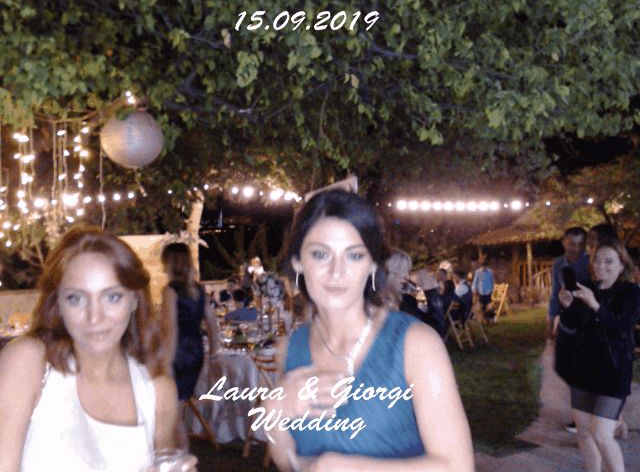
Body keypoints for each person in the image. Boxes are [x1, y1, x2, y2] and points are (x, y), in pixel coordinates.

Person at [265, 190, 473, 471]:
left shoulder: (416, 345)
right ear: (298, 262)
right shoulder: (289, 349)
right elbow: (287, 461)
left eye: (354, 255)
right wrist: (273, 412)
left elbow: (458, 466)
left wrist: (346, 467)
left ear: (372, 264)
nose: (337, 271)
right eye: (320, 254)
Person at [0, 226, 196, 471]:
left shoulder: (157, 393)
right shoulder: (29, 363)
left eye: (112, 297)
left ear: (135, 300)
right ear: (57, 304)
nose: (95, 318)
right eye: (76, 298)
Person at [555, 239, 640, 472]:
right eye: (597, 260)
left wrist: (595, 305)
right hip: (583, 369)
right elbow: (574, 325)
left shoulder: (631, 293)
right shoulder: (585, 287)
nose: (601, 266)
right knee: (584, 432)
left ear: (622, 265)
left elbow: (620, 329)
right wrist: (567, 306)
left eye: (609, 261)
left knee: (602, 434)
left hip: (614, 373)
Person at [160, 242, 217, 447]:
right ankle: (179, 453)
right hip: (196, 352)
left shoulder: (170, 291)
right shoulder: (198, 290)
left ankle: (179, 455)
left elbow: (171, 330)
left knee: (172, 414)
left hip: (178, 353)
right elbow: (212, 324)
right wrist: (213, 354)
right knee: (177, 410)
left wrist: (166, 363)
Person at [548, 227, 590, 340]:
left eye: (581, 244)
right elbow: (555, 294)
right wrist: (551, 326)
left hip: (588, 318)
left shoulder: (590, 261)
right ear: (563, 243)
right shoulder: (558, 263)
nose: (577, 249)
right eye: (572, 244)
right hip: (566, 318)